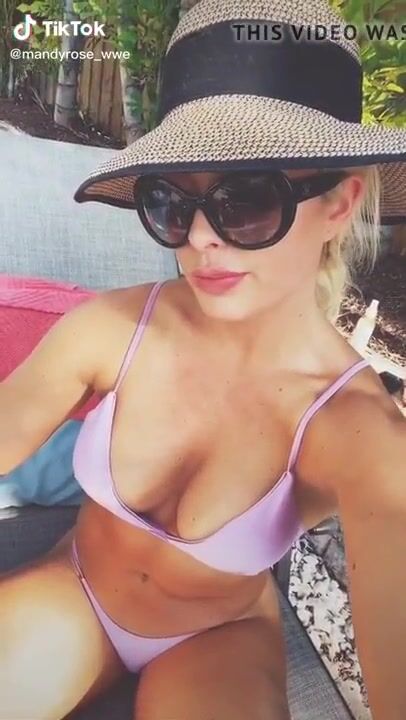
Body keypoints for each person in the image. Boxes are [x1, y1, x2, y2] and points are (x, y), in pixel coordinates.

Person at [1, 1, 405, 718]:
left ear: (341, 203)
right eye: (171, 202)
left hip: (217, 638)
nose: (198, 239)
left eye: (245, 199)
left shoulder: (354, 428)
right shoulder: (111, 328)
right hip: (79, 590)